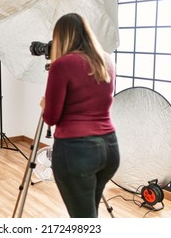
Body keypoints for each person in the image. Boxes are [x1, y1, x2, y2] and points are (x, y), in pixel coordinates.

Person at [40, 13, 120, 217]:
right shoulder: (107, 61)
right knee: (89, 212)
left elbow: (51, 118)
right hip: (109, 148)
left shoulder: (62, 65)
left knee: (83, 220)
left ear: (61, 38)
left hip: (77, 151)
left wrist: (45, 104)